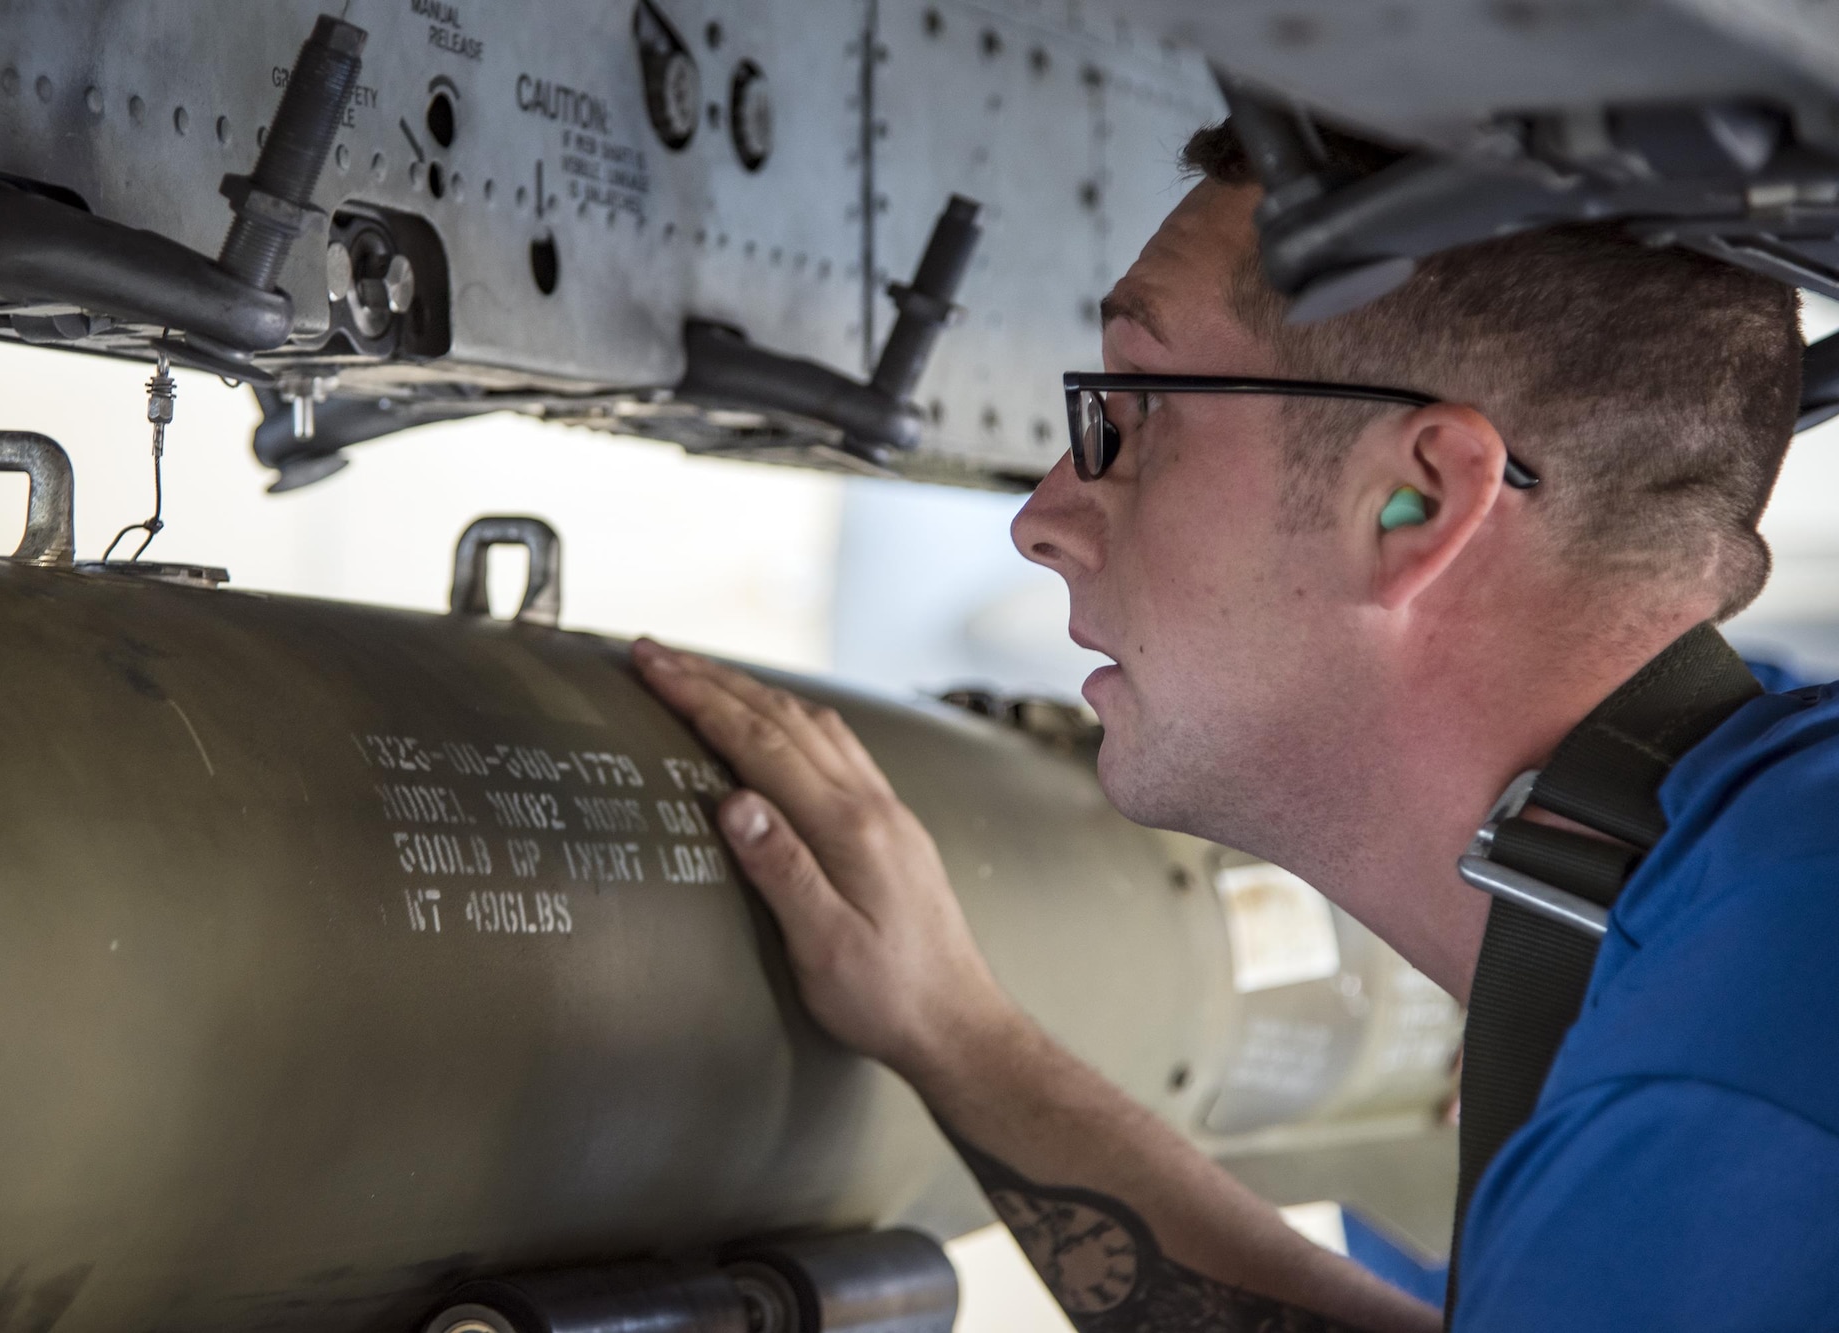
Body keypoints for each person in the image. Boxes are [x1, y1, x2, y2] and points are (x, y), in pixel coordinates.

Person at [632, 121, 1839, 1331]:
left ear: (1413, 505)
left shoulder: (1730, 1094)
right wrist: (953, 1032)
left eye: (1133, 412)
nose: (1044, 518)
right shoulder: (1735, 969)